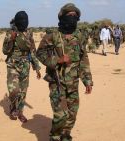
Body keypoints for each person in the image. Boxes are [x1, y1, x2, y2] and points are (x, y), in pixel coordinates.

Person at [36, 3, 93, 141]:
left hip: (73, 82)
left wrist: (87, 80)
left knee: (72, 114)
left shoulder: (79, 36)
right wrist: (57, 60)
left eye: (75, 16)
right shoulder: (52, 36)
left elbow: (83, 59)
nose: (72, 18)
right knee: (60, 115)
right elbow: (40, 53)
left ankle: (65, 135)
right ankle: (55, 136)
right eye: (69, 15)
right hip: (57, 82)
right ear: (62, 17)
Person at [2, 11, 41, 123]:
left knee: (23, 91)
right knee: (14, 90)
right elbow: (5, 51)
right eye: (22, 20)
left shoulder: (29, 34)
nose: (24, 22)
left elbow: (32, 51)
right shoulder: (10, 33)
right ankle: (13, 106)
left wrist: (36, 67)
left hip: (25, 65)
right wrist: (11, 39)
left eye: (25, 19)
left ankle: (20, 112)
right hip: (13, 64)